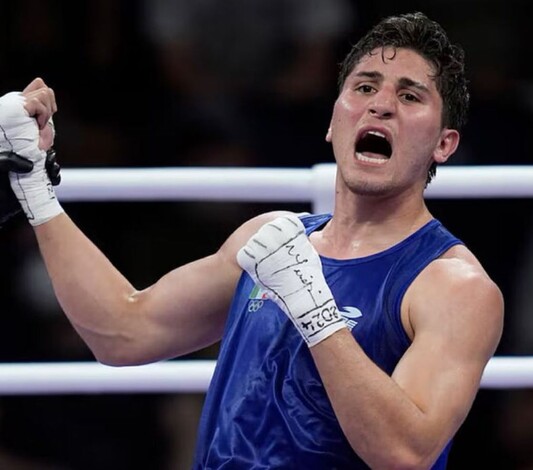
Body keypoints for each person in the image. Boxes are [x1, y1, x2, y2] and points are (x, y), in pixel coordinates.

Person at [0, 12, 503, 470]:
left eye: (410, 95)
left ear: (444, 144)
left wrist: (316, 311)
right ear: (333, 120)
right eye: (365, 87)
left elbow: (407, 455)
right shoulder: (269, 241)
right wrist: (35, 190)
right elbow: (124, 331)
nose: (381, 106)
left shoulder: (454, 287)